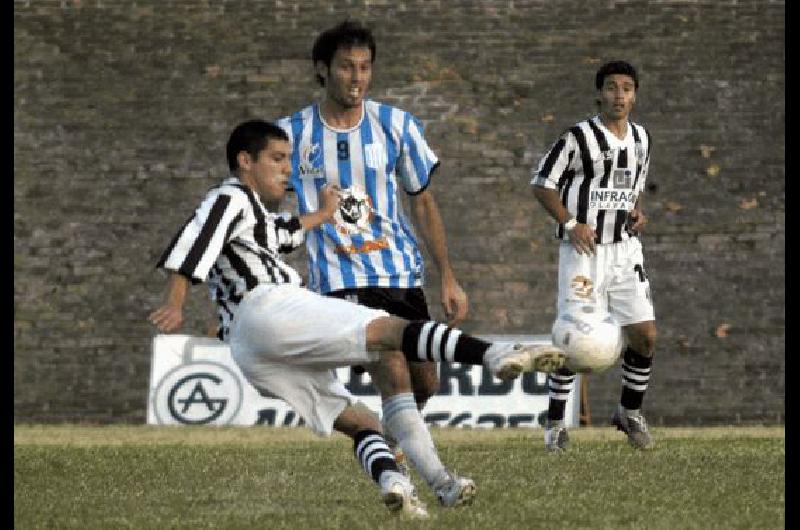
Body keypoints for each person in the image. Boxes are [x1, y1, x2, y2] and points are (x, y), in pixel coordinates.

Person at [149, 120, 567, 518]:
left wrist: (326, 213)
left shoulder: (253, 214)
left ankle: (409, 485)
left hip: (250, 347)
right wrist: (176, 300)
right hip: (268, 306)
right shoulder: (229, 198)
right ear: (245, 161)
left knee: (360, 422)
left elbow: (286, 232)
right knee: (389, 330)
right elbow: (195, 240)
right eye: (277, 159)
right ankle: (495, 354)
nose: (286, 169)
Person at [276, 19, 465, 428]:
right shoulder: (291, 135)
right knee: (390, 362)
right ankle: (398, 467)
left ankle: (394, 443)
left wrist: (448, 277)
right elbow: (264, 205)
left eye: (364, 67)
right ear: (322, 68)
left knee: (425, 382)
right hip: (341, 280)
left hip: (399, 273)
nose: (356, 77)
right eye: (346, 66)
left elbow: (423, 203)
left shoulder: (396, 126)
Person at [531, 60, 657, 451]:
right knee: (574, 340)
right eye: (611, 88)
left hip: (624, 251)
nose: (619, 95)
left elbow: (632, 187)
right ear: (599, 94)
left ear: (634, 95)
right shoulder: (578, 138)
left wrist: (636, 212)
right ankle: (554, 424)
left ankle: (628, 412)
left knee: (645, 335)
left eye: (626, 88)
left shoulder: (641, 139)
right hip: (583, 253)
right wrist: (571, 224)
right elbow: (542, 184)